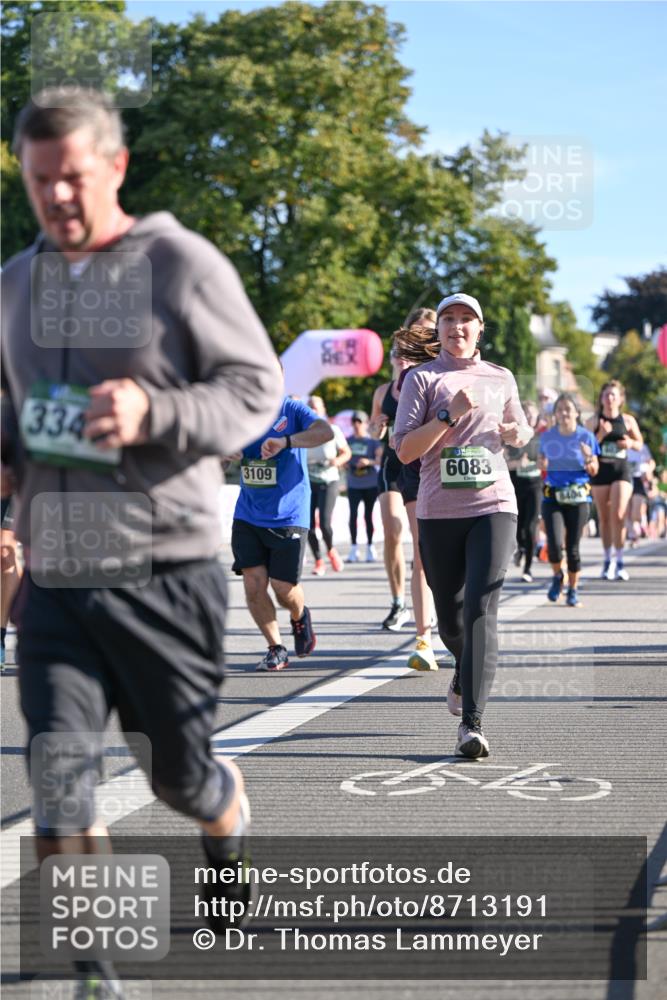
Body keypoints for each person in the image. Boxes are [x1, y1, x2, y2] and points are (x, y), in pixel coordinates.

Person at [1, 87, 283, 994]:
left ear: (114, 167)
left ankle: (224, 816)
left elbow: (255, 391)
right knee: (60, 773)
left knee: (178, 780)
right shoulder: (12, 287)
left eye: (73, 179)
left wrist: (154, 409)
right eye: (40, 181)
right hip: (59, 572)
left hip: (169, 571)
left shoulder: (179, 264)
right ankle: (95, 972)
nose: (58, 200)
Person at [394, 292, 532, 759]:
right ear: (439, 331)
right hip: (439, 512)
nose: (457, 327)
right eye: (449, 319)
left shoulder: (500, 377)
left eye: (466, 320)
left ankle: (471, 725)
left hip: (495, 504)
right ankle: (461, 667)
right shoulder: (422, 378)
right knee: (452, 621)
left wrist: (518, 434)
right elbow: (406, 451)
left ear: (480, 328)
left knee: (480, 609)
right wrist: (447, 414)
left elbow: (522, 429)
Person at [230, 395, 333, 671]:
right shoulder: (239, 408)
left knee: (283, 588)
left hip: (289, 513)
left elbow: (325, 432)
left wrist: (286, 441)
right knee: (253, 583)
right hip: (248, 513)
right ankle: (275, 648)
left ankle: (300, 615)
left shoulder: (292, 409)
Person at [389, 312, 441, 670]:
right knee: (423, 553)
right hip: (416, 471)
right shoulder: (407, 377)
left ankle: (454, 630)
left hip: (457, 473)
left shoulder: (470, 371)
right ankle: (424, 638)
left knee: (455, 558)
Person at [538, 394, 600, 607]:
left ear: (576, 413)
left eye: (567, 409)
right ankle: (558, 577)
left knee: (572, 548)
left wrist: (588, 458)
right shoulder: (547, 437)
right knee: (554, 545)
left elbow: (594, 470)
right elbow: (541, 464)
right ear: (554, 414)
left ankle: (573, 589)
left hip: (579, 497)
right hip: (553, 495)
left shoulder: (586, 437)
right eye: (560, 409)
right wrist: (542, 463)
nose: (564, 413)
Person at [369, 345, 413, 628]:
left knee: (426, 540)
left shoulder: (423, 380)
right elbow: (374, 429)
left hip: (421, 463)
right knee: (392, 530)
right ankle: (398, 602)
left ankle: (429, 598)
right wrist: (379, 428)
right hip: (392, 463)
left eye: (407, 350)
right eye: (396, 350)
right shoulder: (382, 392)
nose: (400, 355)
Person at [586, 380, 643, 580]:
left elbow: (639, 443)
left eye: (613, 395)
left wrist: (630, 443)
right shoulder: (593, 421)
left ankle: (619, 561)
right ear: (601, 399)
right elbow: (584, 448)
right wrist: (600, 436)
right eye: (606, 395)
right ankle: (607, 559)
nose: (609, 398)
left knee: (618, 515)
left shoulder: (628, 421)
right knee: (604, 517)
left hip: (621, 471)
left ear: (620, 399)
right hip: (600, 472)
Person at [306, 395, 350, 575]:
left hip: (329, 480)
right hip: (308, 481)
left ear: (323, 410)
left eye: (316, 407)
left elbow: (346, 452)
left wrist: (337, 461)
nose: (313, 410)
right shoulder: (302, 431)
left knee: (324, 523)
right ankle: (318, 560)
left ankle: (331, 551)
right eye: (309, 406)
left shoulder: (332, 429)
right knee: (307, 525)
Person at [505, 399, 543, 582]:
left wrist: (543, 463)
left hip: (535, 486)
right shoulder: (513, 438)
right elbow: (502, 463)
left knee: (530, 526)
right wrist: (518, 463)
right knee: (518, 527)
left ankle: (528, 568)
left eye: (532, 414)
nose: (529, 417)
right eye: (526, 414)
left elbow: (546, 462)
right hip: (515, 486)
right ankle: (520, 548)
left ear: (537, 418)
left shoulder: (541, 439)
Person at [345, 411, 383, 563]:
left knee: (368, 516)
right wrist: (346, 464)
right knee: (353, 515)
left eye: (359, 421)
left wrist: (368, 462)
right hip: (354, 483)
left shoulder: (372, 441)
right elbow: (342, 456)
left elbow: (380, 460)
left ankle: (370, 547)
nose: (356, 424)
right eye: (354, 421)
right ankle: (354, 548)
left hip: (370, 483)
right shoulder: (348, 440)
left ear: (366, 423)